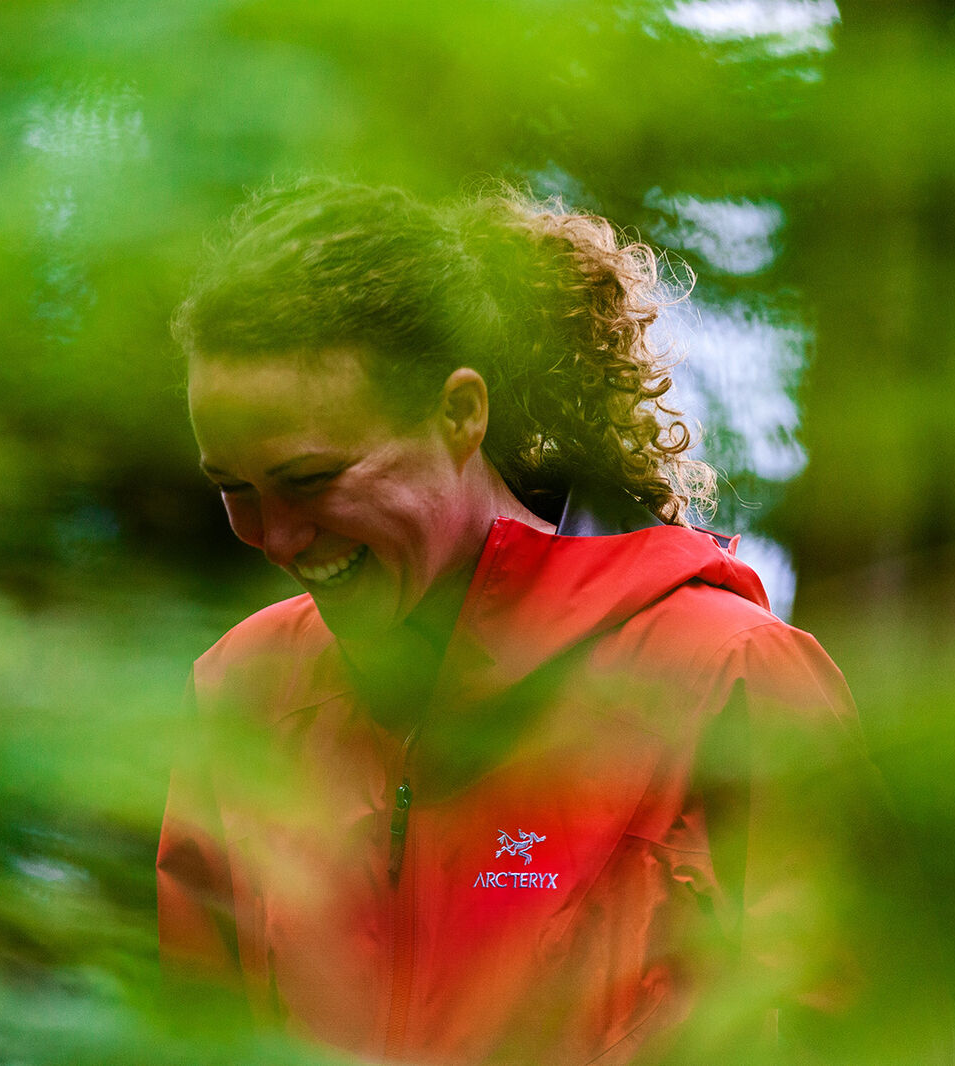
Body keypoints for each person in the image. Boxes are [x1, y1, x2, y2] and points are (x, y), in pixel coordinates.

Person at [157, 179, 895, 1065]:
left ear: (461, 413)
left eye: (313, 480)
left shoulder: (725, 677)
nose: (274, 537)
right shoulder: (248, 689)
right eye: (234, 490)